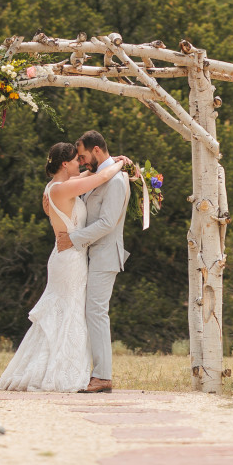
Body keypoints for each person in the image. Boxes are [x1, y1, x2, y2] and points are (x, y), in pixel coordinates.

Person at [0, 141, 130, 392]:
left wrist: (108, 165)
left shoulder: (54, 188)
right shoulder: (64, 189)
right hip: (70, 259)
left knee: (69, 312)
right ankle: (59, 371)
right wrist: (121, 163)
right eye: (76, 160)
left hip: (68, 256)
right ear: (65, 164)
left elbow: (92, 175)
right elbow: (101, 176)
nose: (81, 164)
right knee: (69, 313)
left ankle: (60, 367)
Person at [66, 130, 131, 393]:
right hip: (91, 255)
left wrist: (73, 239)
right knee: (89, 312)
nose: (80, 162)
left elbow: (107, 222)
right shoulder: (100, 175)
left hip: (105, 255)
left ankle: (103, 375)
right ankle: (89, 371)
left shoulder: (116, 181)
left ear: (96, 149)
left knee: (96, 312)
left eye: (82, 156)